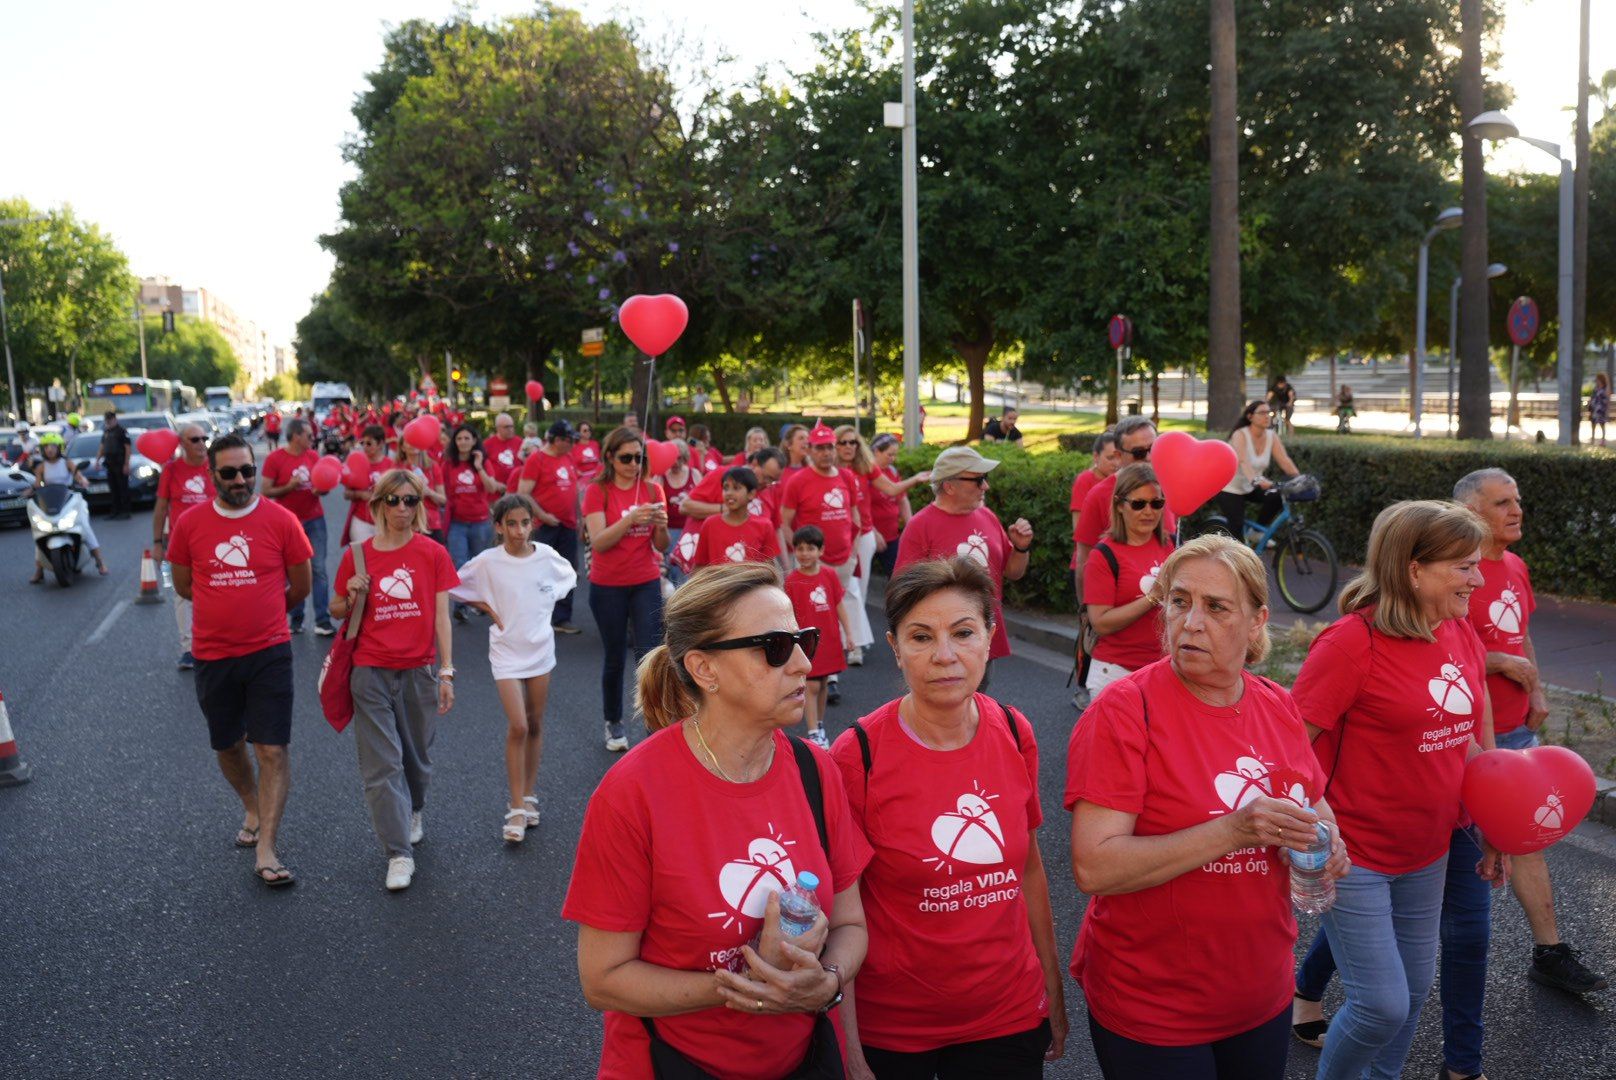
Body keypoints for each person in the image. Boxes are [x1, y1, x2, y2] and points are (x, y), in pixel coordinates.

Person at [563, 562, 871, 1079]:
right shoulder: (631, 793)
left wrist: (828, 981)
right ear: (704, 669)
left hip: (803, 1060)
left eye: (804, 639)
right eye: (775, 647)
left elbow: (850, 923)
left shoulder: (815, 770)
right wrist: (742, 990)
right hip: (669, 1063)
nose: (800, 664)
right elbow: (603, 979)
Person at [1066, 535, 1348, 1078]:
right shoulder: (1125, 711)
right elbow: (1094, 866)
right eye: (1178, 601)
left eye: (1216, 607)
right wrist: (1235, 830)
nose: (1190, 622)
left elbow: (1314, 803)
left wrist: (1330, 843)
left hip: (1260, 993)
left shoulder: (1275, 702)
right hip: (1155, 1005)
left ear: (1257, 620)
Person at [1289, 500, 1509, 1080]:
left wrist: (1494, 822)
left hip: (1429, 851)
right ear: (1413, 569)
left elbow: (1465, 734)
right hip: (1355, 855)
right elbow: (1285, 747)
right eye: (1462, 566)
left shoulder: (1457, 631)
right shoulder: (1349, 645)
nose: (1478, 578)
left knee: (1409, 999)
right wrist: (1318, 827)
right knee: (1380, 1005)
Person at [833, 558, 1067, 1077]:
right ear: (893, 648)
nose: (945, 656)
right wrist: (848, 1052)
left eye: (963, 633)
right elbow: (838, 913)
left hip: (1007, 1012)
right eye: (920, 637)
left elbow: (1028, 869)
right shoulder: (856, 756)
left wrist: (1051, 988)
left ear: (989, 637)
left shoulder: (1013, 730)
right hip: (894, 1026)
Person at [1454, 469, 1606, 994]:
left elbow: (1524, 638)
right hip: (1461, 740)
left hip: (1516, 733)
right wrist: (1497, 661)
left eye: (1517, 499)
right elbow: (1446, 650)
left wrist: (1536, 689)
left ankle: (1549, 950)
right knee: (1411, 873)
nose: (1516, 510)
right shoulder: (1455, 574)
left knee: (1524, 843)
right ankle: (1315, 981)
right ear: (1472, 513)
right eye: (1502, 503)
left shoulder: (1515, 565)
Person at [168, 433, 313, 888]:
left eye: (247, 470)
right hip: (213, 654)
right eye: (229, 472)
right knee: (228, 745)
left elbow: (301, 586)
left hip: (270, 651)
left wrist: (263, 611)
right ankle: (251, 806)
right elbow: (185, 585)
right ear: (211, 474)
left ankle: (267, 846)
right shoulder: (190, 524)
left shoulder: (282, 520)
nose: (240, 479)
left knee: (271, 748)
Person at [330, 469, 458, 892]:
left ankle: (415, 807)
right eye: (395, 500)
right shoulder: (358, 555)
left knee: (417, 761)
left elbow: (442, 615)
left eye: (411, 501)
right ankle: (398, 852)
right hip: (369, 671)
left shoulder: (432, 553)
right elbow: (334, 609)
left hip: (419, 670)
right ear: (379, 504)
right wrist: (349, 592)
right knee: (382, 766)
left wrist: (446, 671)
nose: (403, 508)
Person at [449, 493, 577, 843]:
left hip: (540, 648)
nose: (519, 531)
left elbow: (568, 578)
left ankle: (530, 795)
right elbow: (452, 583)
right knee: (518, 725)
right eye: (511, 524)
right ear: (498, 526)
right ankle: (516, 806)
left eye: (525, 523)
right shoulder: (488, 561)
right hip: (506, 650)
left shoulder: (547, 556)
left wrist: (547, 597)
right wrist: (485, 608)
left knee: (535, 723)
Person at [894, 446, 1033, 668]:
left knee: (977, 700)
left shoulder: (987, 515)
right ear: (949, 486)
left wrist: (1021, 548)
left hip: (983, 635)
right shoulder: (920, 526)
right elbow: (904, 591)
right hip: (943, 647)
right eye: (978, 480)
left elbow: (1013, 572)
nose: (985, 486)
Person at [583, 427, 669, 752]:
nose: (633, 463)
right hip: (607, 586)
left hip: (645, 580)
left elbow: (662, 544)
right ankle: (613, 720)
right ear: (610, 457)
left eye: (639, 457)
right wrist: (631, 519)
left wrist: (659, 525)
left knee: (649, 657)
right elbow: (600, 542)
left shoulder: (652, 489)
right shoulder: (597, 491)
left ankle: (652, 722)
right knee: (615, 657)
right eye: (626, 457)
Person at [781, 423, 865, 693]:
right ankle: (822, 677)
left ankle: (840, 661)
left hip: (843, 559)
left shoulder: (846, 477)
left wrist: (852, 550)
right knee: (813, 616)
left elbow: (855, 515)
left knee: (837, 611)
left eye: (830, 446)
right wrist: (800, 554)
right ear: (811, 450)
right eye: (820, 448)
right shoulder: (798, 481)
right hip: (813, 561)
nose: (826, 452)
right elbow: (784, 522)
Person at [1083, 464, 1174, 696]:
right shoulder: (1103, 555)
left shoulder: (1171, 545)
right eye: (1138, 503)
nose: (1149, 511)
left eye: (1157, 503)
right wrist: (1153, 597)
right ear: (1120, 505)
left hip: (1164, 672)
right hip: (1116, 674)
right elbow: (1100, 622)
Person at [1073, 416, 1175, 577]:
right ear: (1119, 456)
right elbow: (1084, 556)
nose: (1148, 457)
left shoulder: (1167, 484)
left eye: (1153, 449)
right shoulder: (1099, 495)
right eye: (1139, 453)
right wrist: (1084, 602)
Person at [261, 418, 335, 638]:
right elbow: (266, 490)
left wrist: (320, 490)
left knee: (319, 569)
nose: (312, 439)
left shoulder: (313, 456)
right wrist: (289, 487)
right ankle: (296, 619)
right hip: (287, 523)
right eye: (308, 436)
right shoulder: (275, 459)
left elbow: (324, 485)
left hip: (314, 519)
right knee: (291, 571)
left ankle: (322, 620)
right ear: (295, 436)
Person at [784, 525, 851, 749]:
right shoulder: (792, 580)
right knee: (811, 686)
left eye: (810, 548)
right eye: (800, 549)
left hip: (829, 638)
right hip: (806, 642)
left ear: (821, 551)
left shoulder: (829, 575)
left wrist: (849, 634)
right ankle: (813, 732)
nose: (804, 553)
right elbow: (788, 613)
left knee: (822, 684)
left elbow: (839, 605)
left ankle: (819, 724)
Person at [152, 425, 214, 664]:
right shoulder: (171, 470)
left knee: (214, 590)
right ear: (182, 444)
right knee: (182, 594)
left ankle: (214, 641)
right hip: (181, 543)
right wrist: (158, 542)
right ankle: (188, 648)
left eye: (204, 438)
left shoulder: (215, 466)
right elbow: (160, 508)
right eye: (195, 439)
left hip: (213, 540)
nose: (201, 443)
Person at [517, 419, 583, 634]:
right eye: (568, 439)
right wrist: (543, 515)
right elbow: (523, 492)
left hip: (568, 524)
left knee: (567, 570)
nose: (572, 443)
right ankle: (538, 617)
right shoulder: (537, 459)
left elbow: (573, 490)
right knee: (541, 572)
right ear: (556, 440)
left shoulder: (568, 457)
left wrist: (580, 519)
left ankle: (562, 618)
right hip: (544, 526)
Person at [440, 423, 499, 622]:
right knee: (460, 564)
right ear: (454, 442)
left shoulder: (483, 462)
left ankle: (479, 602)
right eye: (459, 439)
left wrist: (479, 466)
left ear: (474, 441)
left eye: (467, 438)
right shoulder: (448, 464)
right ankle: (460, 606)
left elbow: (491, 488)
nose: (463, 442)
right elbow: (444, 491)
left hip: (481, 522)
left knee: (478, 565)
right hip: (457, 523)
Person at [29, 433, 107, 580]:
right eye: (46, 447)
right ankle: (39, 570)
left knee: (85, 527)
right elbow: (37, 485)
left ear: (59, 448)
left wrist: (83, 481)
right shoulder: (41, 467)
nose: (50, 450)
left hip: (70, 499)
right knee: (40, 533)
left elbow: (78, 475)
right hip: (51, 503)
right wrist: (30, 490)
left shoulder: (67, 463)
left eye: (53, 446)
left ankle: (100, 561)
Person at [1215, 400, 1301, 533]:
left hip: (1251, 486)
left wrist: (1299, 479)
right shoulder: (1240, 435)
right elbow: (1243, 461)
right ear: (1250, 417)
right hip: (1231, 488)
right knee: (1236, 529)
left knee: (1277, 496)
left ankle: (1257, 533)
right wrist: (1256, 481)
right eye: (1262, 413)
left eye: (1269, 413)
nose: (1267, 416)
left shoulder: (1271, 436)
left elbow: (1284, 460)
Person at [834, 425, 880, 666]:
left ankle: (854, 644)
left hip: (862, 538)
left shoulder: (865, 468)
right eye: (843, 442)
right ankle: (839, 640)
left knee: (856, 591)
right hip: (834, 538)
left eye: (853, 442)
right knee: (835, 593)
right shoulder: (827, 472)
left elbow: (891, 490)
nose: (849, 447)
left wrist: (917, 479)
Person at [690, 467, 782, 568]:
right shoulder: (710, 524)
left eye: (736, 488)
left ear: (751, 494)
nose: (729, 493)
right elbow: (699, 566)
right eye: (725, 488)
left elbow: (768, 567)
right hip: (718, 583)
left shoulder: (765, 526)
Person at [865, 434, 929, 580]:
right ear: (876, 451)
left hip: (891, 535)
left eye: (895, 455)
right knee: (862, 580)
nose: (893, 458)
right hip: (870, 534)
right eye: (889, 454)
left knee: (898, 577)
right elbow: (860, 507)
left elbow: (902, 498)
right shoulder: (866, 473)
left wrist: (911, 524)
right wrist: (872, 531)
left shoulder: (892, 471)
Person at [656, 438, 701, 589]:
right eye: (672, 459)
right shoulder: (661, 477)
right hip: (669, 532)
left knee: (689, 572)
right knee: (671, 571)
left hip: (691, 531)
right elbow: (655, 505)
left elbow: (703, 499)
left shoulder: (694, 474)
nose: (676, 462)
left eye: (680, 458)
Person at [343, 426, 395, 545]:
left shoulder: (391, 465)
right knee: (361, 561)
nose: (365, 447)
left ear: (381, 443)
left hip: (385, 523)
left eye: (369, 443)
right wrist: (360, 494)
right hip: (361, 521)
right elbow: (346, 494)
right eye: (363, 443)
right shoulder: (356, 463)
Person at [481, 412, 525, 503]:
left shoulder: (520, 442)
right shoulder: (487, 444)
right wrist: (495, 484)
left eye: (512, 426)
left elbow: (525, 464)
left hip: (515, 493)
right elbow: (481, 468)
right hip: (496, 494)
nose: (510, 429)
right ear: (498, 428)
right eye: (506, 427)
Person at [96, 411, 132, 519]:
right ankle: (115, 511)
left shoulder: (122, 431)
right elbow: (102, 447)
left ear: (115, 419)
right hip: (110, 463)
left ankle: (125, 511)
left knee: (123, 488)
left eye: (110, 420)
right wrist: (97, 460)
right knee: (113, 489)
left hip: (120, 463)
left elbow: (128, 449)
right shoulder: (106, 432)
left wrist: (126, 464)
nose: (108, 422)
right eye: (107, 420)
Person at [1588, 371, 1610, 446]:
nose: (1596, 380)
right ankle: (1592, 440)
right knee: (1593, 424)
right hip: (1594, 409)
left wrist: (1607, 410)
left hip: (1601, 410)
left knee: (1602, 425)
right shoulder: (1596, 388)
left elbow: (1607, 399)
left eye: (1598, 379)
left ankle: (1603, 441)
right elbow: (1592, 397)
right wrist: (1590, 404)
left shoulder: (1605, 388)